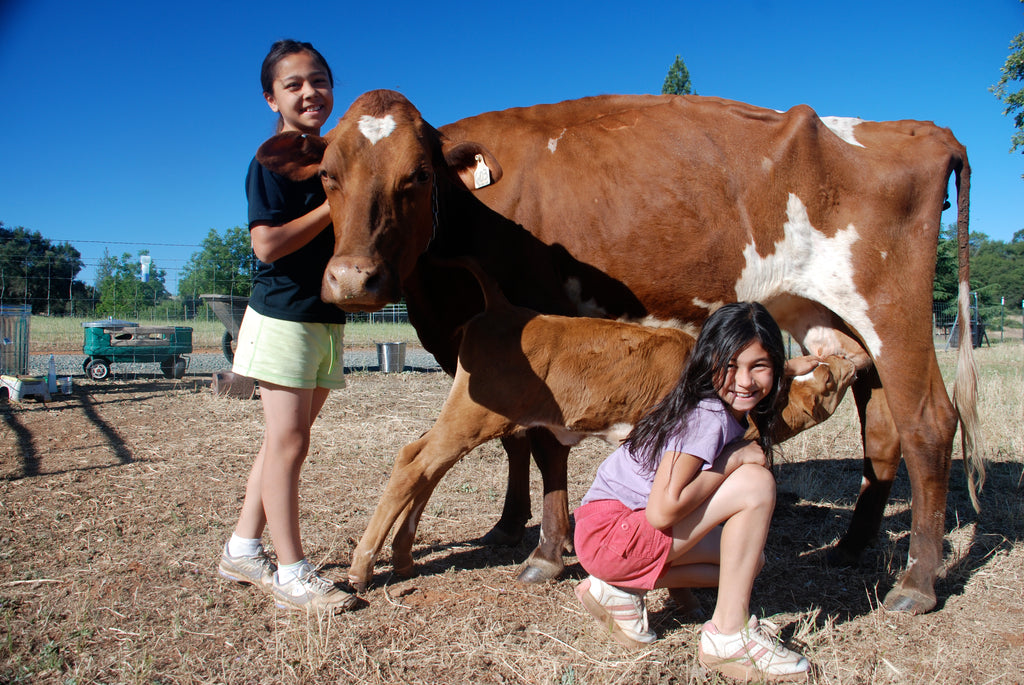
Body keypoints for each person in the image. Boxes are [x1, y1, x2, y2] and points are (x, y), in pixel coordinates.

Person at [573, 302, 812, 682]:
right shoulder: (708, 416)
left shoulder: (717, 410)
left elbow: (677, 510)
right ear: (708, 362)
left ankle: (616, 588)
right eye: (730, 366)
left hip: (606, 536)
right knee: (755, 484)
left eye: (759, 366)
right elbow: (663, 513)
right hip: (611, 535)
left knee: (747, 561)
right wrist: (730, 464)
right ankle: (729, 637)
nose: (745, 380)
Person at [217, 39, 356, 613]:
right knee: (288, 443)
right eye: (294, 84)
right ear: (271, 98)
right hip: (283, 316)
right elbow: (267, 244)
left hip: (324, 319)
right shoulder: (270, 161)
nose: (309, 92)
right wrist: (334, 201)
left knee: (283, 444)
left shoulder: (333, 153)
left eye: (318, 80)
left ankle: (243, 549)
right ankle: (292, 574)